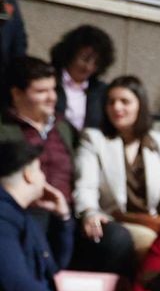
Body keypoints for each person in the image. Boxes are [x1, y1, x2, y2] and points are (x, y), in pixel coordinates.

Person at [2, 55, 135, 274]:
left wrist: (89, 211)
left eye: (53, 89)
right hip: (26, 215)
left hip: (68, 215)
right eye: (41, 92)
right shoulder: (5, 130)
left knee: (115, 238)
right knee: (39, 221)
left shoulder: (64, 128)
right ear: (17, 94)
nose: (51, 98)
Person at [0, 140, 109, 291]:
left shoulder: (21, 214)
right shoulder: (2, 215)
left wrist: (63, 218)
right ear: (29, 173)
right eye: (39, 169)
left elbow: (54, 265)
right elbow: (16, 282)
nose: (42, 177)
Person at [74, 75, 160, 256]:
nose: (117, 108)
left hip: (152, 220)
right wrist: (89, 211)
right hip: (114, 221)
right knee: (152, 242)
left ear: (140, 105)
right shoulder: (94, 139)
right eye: (111, 102)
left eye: (125, 101)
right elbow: (86, 186)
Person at [48, 24, 114, 131]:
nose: (89, 67)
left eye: (96, 62)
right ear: (70, 53)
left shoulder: (101, 91)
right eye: (85, 59)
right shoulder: (49, 80)